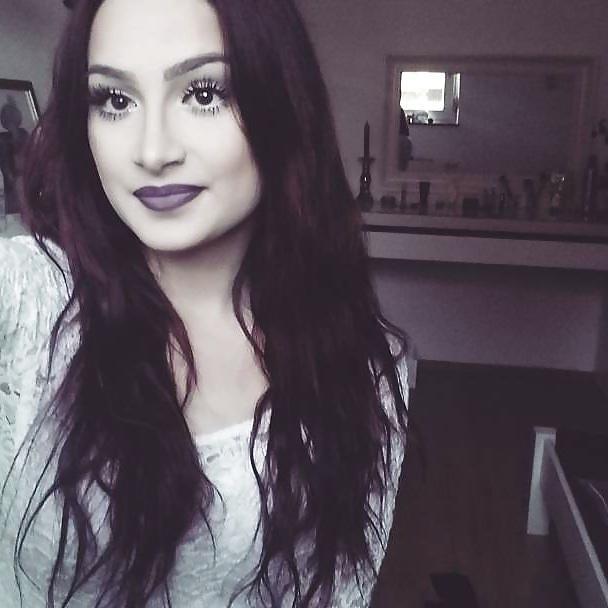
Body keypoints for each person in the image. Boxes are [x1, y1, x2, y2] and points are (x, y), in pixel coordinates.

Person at [0, 0, 409, 606]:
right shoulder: (29, 297)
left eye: (204, 92)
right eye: (115, 100)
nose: (152, 151)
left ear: (281, 103)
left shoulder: (369, 366)